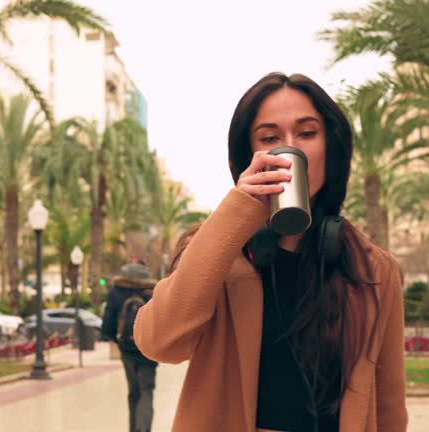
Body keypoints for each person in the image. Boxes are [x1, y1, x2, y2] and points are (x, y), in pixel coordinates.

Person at [134, 72, 408, 432]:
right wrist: (236, 212)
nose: (289, 149)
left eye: (307, 133)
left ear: (332, 147)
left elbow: (389, 403)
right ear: (249, 155)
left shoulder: (373, 268)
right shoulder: (216, 251)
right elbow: (159, 342)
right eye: (270, 138)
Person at [102, 260, 159, 432]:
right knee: (147, 390)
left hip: (127, 350)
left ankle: (134, 429)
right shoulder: (151, 291)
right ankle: (144, 428)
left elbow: (107, 323)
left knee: (133, 391)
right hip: (148, 351)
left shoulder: (116, 291)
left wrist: (118, 340)